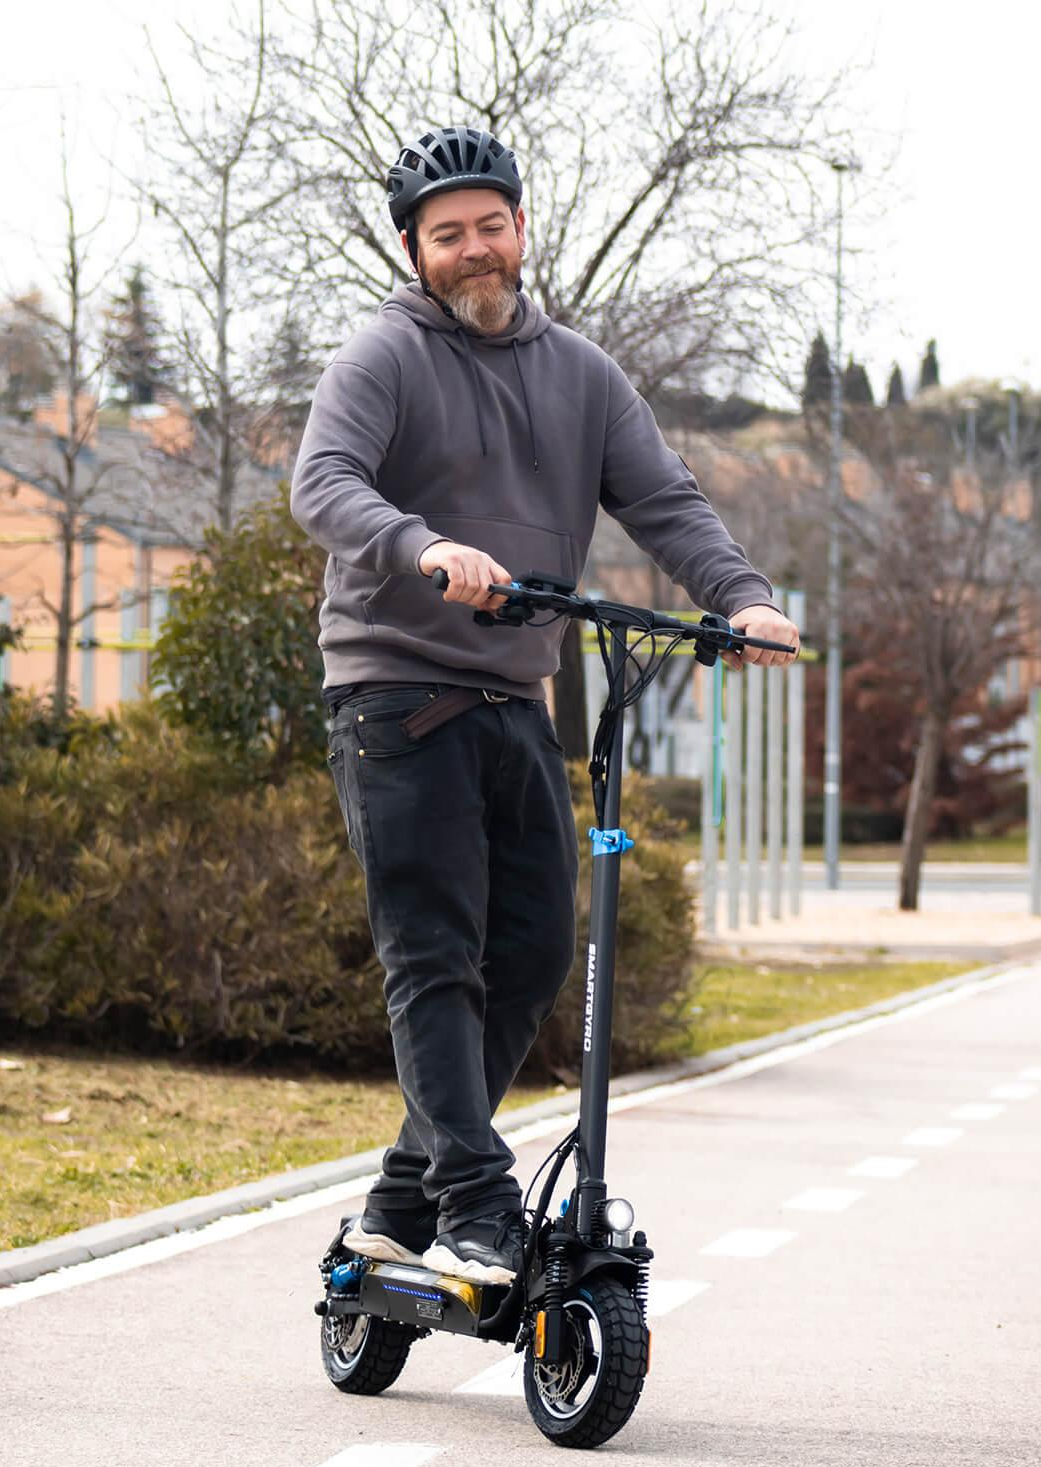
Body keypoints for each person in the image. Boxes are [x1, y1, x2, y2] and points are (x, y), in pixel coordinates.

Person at [290, 125, 798, 1286]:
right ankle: (476, 1201)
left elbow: (665, 501)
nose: (474, 251)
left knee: (526, 959)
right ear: (416, 252)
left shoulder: (583, 374)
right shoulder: (384, 356)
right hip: (395, 691)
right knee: (435, 952)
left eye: (490, 227)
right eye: (447, 236)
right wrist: (422, 549)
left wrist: (743, 600)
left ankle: (398, 1201)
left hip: (519, 691)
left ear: (522, 228)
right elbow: (323, 484)